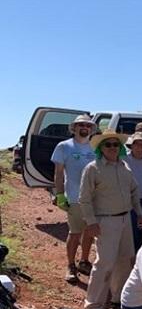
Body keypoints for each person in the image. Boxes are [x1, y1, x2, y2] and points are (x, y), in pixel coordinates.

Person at [79, 130, 142, 309]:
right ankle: (93, 306)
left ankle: (117, 299)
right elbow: (84, 198)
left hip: (125, 219)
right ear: (101, 148)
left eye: (116, 144)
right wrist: (91, 222)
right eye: (108, 145)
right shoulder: (93, 168)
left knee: (125, 260)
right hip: (105, 220)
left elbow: (134, 191)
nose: (113, 148)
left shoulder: (125, 167)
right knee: (105, 263)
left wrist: (139, 213)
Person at [50, 114, 97, 283]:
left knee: (90, 232)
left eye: (88, 125)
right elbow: (59, 173)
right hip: (74, 197)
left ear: (92, 129)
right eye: (81, 125)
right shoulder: (64, 146)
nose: (84, 127)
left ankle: (84, 261)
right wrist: (60, 195)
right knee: (75, 232)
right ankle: (70, 265)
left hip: (94, 199)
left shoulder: (96, 147)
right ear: (74, 128)